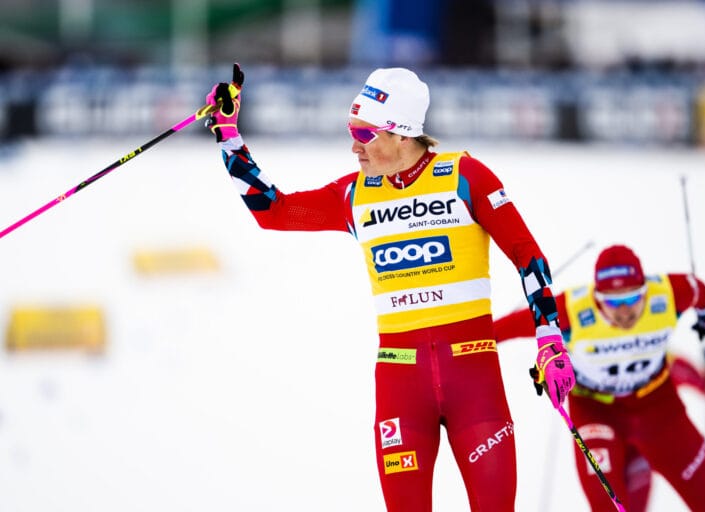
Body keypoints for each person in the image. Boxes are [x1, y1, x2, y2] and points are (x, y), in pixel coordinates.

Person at [204, 64, 574, 511]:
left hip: (473, 379)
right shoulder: (355, 194)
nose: (353, 146)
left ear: (401, 134)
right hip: (401, 381)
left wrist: (549, 337)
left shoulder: (466, 176)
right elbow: (273, 211)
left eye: (365, 135)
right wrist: (228, 135)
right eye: (351, 131)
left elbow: (526, 254)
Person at [494, 244, 705, 511]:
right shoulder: (570, 310)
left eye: (632, 298)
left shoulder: (669, 294)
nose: (624, 311)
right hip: (596, 411)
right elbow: (501, 329)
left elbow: (698, 290)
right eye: (612, 302)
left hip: (657, 405)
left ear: (646, 290)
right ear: (597, 297)